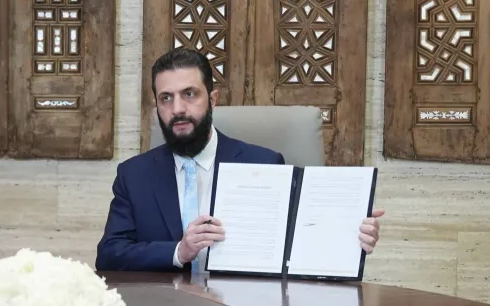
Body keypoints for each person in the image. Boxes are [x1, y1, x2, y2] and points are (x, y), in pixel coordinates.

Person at [95, 49, 384, 271]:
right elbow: (109, 255)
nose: (178, 108)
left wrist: (350, 236)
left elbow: (298, 243)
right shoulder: (134, 175)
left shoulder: (264, 164)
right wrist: (178, 252)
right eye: (166, 98)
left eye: (190, 94)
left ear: (213, 99)